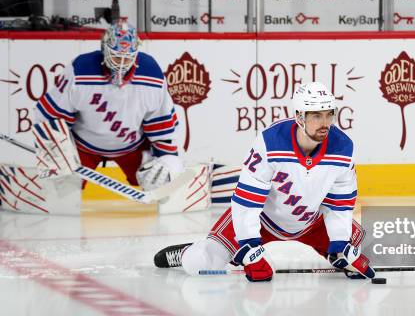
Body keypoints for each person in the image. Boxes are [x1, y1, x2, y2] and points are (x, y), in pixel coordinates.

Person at [154, 82, 375, 282]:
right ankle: (186, 252)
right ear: (299, 116)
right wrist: (250, 246)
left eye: (329, 115)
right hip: (263, 219)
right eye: (316, 116)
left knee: (368, 252)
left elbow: (340, 203)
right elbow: (247, 201)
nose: (325, 123)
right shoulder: (270, 142)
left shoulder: (343, 147)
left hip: (312, 221)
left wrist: (339, 245)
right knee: (201, 263)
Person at [34, 21, 183, 191]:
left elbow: (162, 127)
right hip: (83, 146)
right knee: (63, 190)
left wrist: (167, 161)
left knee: (159, 179)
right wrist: (56, 153)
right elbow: (49, 117)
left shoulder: (152, 74)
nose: (121, 65)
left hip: (132, 147)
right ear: (104, 50)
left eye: (127, 58)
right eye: (117, 57)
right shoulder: (80, 70)